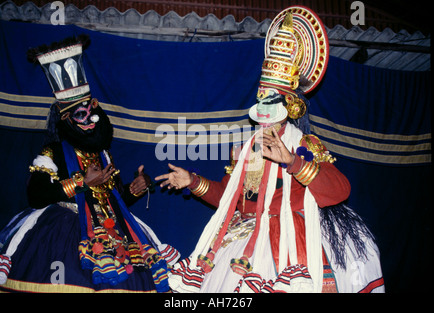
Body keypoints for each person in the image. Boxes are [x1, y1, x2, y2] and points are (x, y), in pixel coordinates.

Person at [155, 6, 384, 293]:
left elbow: (340, 191)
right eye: (261, 97)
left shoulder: (304, 144)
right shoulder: (246, 151)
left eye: (271, 100)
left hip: (287, 242)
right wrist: (193, 182)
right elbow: (230, 199)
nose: (264, 107)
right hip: (241, 240)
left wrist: (292, 162)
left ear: (290, 106)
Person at [0, 35, 179, 293]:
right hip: (63, 231)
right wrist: (80, 183)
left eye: (92, 112)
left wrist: (134, 188)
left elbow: (112, 198)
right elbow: (36, 195)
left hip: (112, 231)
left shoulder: (104, 154)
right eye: (80, 114)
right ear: (65, 118)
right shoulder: (52, 151)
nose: (90, 119)